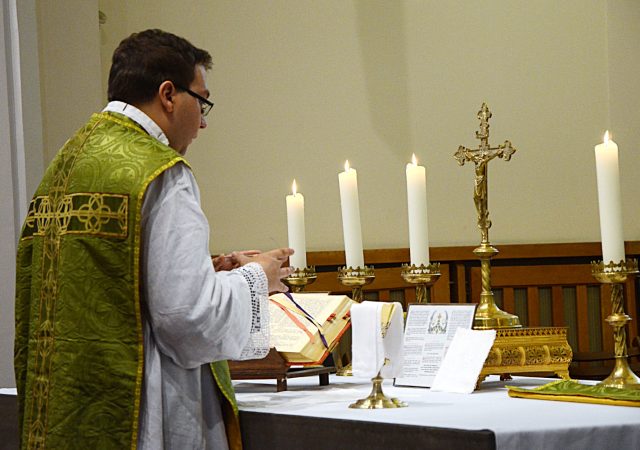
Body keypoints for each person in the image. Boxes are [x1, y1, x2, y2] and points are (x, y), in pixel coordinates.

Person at [14, 29, 293, 449]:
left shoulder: (67, 165)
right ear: (168, 95)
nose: (202, 122)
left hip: (69, 413)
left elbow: (110, 284)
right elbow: (188, 319)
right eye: (201, 102)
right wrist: (257, 277)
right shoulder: (159, 173)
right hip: (142, 417)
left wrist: (206, 272)